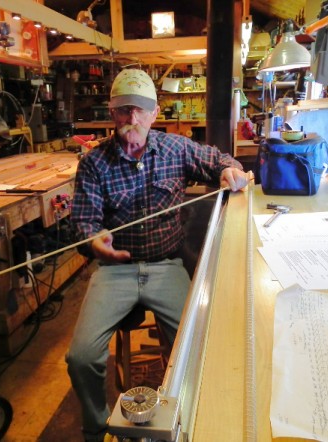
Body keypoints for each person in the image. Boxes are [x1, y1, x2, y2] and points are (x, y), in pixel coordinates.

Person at [66, 68, 249, 441]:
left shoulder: (175, 148)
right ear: (112, 112)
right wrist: (93, 238)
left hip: (166, 265)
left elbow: (219, 160)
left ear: (155, 113)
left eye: (141, 110)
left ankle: (189, 419)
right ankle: (98, 425)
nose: (133, 119)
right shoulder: (93, 163)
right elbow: (85, 222)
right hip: (113, 272)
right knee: (80, 357)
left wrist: (232, 171)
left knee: (198, 345)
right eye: (124, 110)